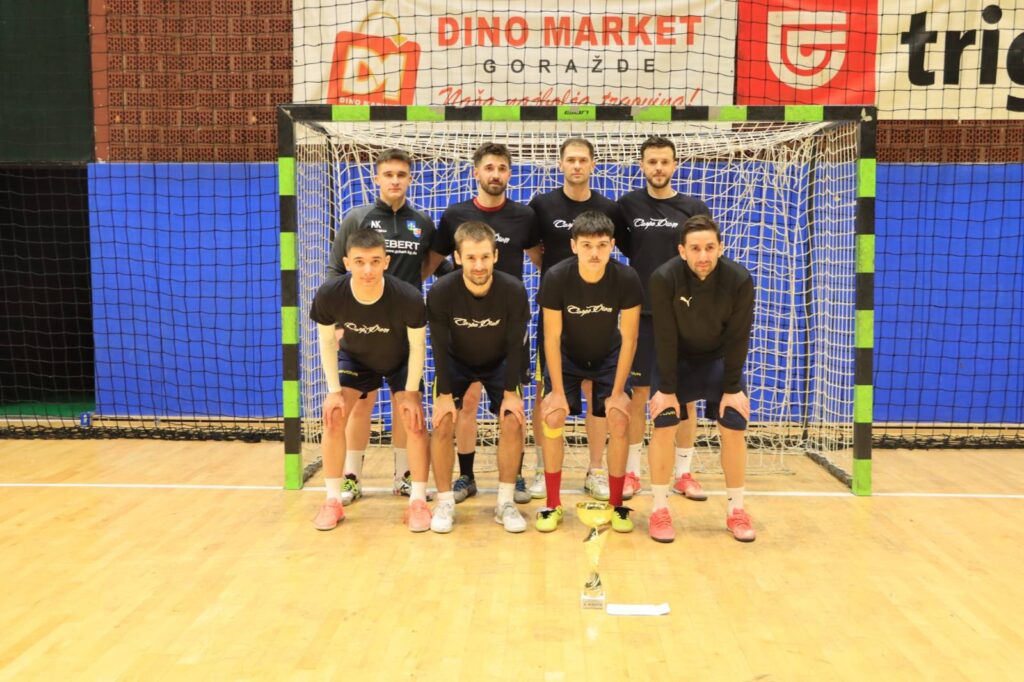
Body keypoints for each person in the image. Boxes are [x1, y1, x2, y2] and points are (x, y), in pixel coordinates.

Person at [425, 142, 541, 505]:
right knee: (467, 404)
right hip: (464, 325)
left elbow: (541, 260)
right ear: (476, 172)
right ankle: (467, 476)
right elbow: (433, 261)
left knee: (513, 408)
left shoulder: (524, 216)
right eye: (489, 167)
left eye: (502, 168)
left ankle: (514, 476)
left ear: (510, 174)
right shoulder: (455, 214)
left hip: (506, 326)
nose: (495, 174)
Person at [325, 148, 436, 505]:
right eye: (388, 174)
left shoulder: (422, 222)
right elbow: (336, 269)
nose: (395, 181)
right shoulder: (357, 218)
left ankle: (404, 477)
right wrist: (338, 322)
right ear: (376, 178)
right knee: (361, 403)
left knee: (407, 403)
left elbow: (433, 265)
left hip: (403, 331)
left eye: (401, 175)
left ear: (410, 179)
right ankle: (351, 477)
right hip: (361, 329)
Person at [527, 137, 628, 503]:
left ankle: (595, 470)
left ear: (593, 164)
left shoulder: (609, 208)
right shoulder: (542, 205)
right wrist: (560, 279)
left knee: (596, 391)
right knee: (547, 389)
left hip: (598, 312)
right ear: (560, 164)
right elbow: (533, 250)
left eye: (583, 160)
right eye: (570, 159)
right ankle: (543, 470)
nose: (576, 166)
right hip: (556, 311)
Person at [310, 230, 432, 532]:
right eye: (360, 261)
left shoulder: (408, 297)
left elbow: (418, 346)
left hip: (399, 359)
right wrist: (333, 391)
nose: (367, 269)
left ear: (386, 262)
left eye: (375, 261)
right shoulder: (330, 294)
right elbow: (327, 342)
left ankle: (417, 501)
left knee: (414, 420)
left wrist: (411, 393)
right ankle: (333, 500)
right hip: (357, 359)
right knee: (334, 416)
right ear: (347, 263)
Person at [647, 214, 757, 543]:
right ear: (682, 251)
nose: (703, 255)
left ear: (721, 247)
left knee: (734, 424)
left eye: (710, 247)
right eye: (695, 248)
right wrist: (667, 390)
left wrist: (733, 388)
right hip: (676, 360)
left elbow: (738, 337)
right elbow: (664, 336)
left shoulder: (739, 279)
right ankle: (659, 508)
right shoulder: (664, 278)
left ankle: (736, 510)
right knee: (664, 423)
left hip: (718, 361)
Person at [617, 136, 712, 503]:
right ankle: (632, 471)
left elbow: (702, 258)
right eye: (652, 161)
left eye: (664, 161)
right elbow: (628, 249)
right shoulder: (627, 205)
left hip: (683, 315)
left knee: (685, 396)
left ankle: (683, 473)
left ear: (674, 165)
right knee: (639, 394)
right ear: (642, 165)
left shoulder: (693, 208)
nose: (658, 168)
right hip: (641, 314)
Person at [536, 211, 642, 533]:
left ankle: (617, 505)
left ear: (612, 245)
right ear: (574, 246)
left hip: (608, 356)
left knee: (619, 418)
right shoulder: (556, 277)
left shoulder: (626, 278)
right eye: (586, 245)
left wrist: (619, 392)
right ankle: (552, 504)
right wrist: (556, 391)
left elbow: (630, 338)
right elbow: (551, 337)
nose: (594, 253)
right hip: (567, 356)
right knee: (553, 415)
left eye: (601, 245)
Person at [427, 221, 531, 533]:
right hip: (456, 362)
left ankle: (505, 502)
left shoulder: (513, 290)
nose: (479, 265)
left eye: (485, 257)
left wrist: (511, 392)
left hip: (500, 362)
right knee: (443, 420)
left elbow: (516, 345)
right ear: (457, 257)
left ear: (495, 256)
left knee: (513, 419)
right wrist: (444, 396)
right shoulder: (441, 292)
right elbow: (439, 346)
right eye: (471, 257)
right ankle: (445, 502)